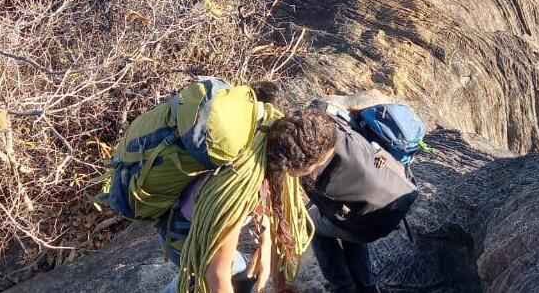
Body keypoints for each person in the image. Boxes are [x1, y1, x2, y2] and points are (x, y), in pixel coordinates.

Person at [104, 79, 313, 293]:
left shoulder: (241, 142)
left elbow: (272, 207)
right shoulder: (235, 183)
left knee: (241, 273)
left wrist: (267, 246)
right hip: (186, 236)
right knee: (215, 276)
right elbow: (218, 275)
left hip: (183, 221)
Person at [267, 94, 418, 293]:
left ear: (308, 165)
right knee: (346, 221)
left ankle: (342, 287)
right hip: (397, 194)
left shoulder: (315, 171)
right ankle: (366, 286)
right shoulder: (334, 124)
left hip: (372, 221)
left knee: (310, 223)